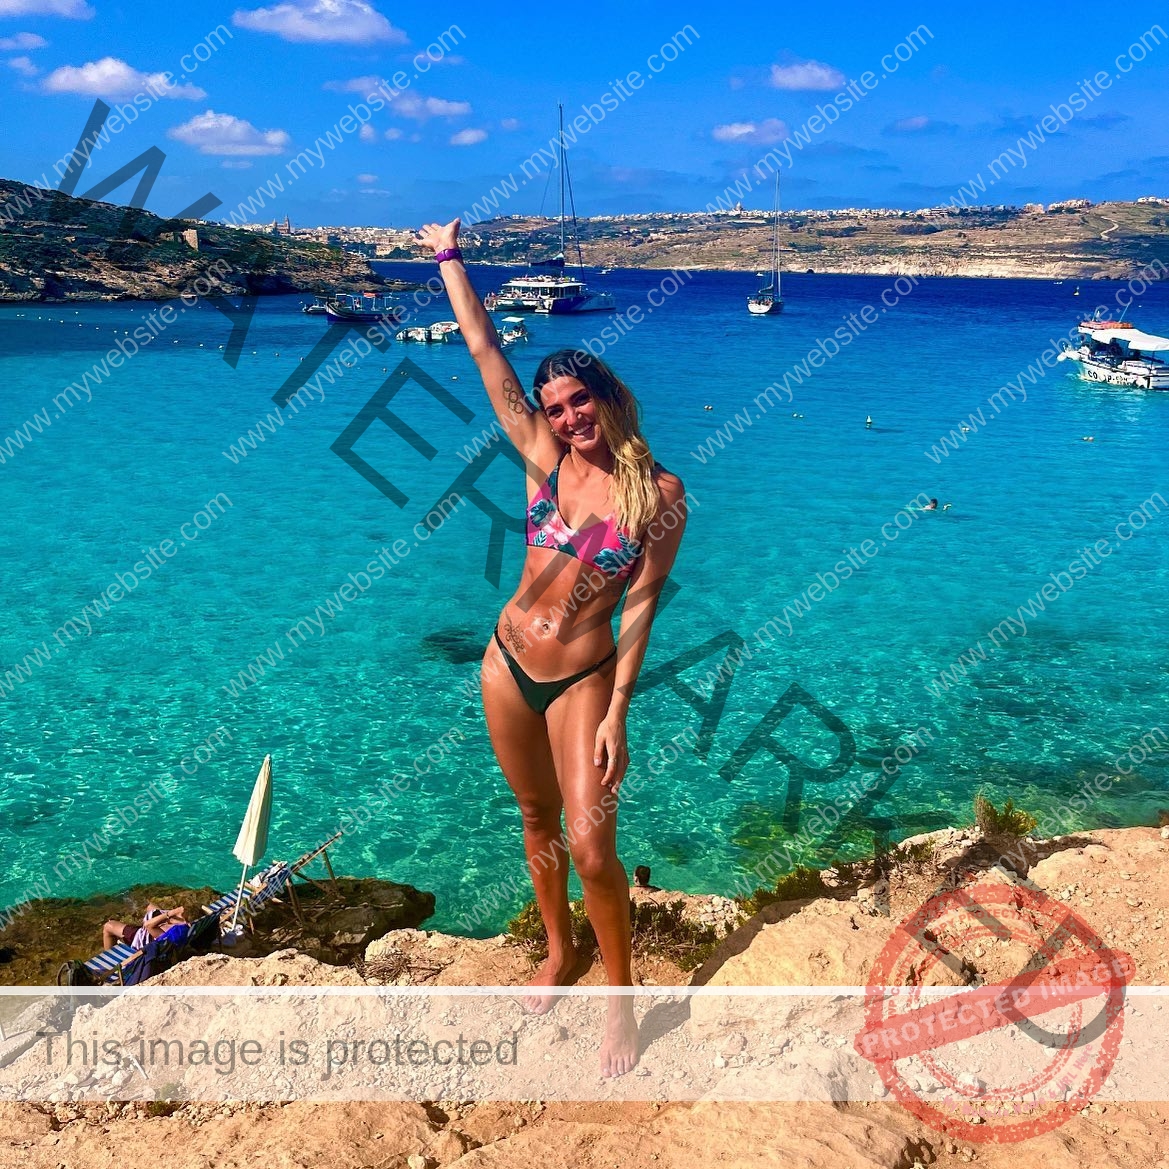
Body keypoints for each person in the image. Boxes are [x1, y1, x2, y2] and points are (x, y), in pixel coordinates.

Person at [418, 218, 688, 1078]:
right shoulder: (538, 458)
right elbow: (481, 346)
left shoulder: (661, 494)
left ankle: (620, 999)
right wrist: (447, 257)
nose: (567, 416)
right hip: (504, 664)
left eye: (579, 400)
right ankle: (557, 953)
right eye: (554, 405)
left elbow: (640, 607)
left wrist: (618, 713)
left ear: (606, 396)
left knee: (592, 845)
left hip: (579, 679)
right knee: (535, 822)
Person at [102, 904, 186, 952]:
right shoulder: (186, 926)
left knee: (108, 926)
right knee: (150, 906)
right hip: (150, 930)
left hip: (140, 939)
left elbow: (147, 925)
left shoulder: (173, 934)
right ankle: (131, 923)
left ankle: (111, 967)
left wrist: (171, 913)